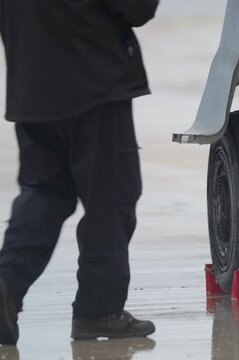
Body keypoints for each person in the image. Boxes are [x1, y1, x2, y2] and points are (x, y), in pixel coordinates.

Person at [0, 0, 159, 344]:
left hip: (30, 86)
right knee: (110, 199)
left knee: (44, 193)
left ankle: (6, 284)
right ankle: (98, 312)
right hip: (93, 83)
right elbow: (138, 9)